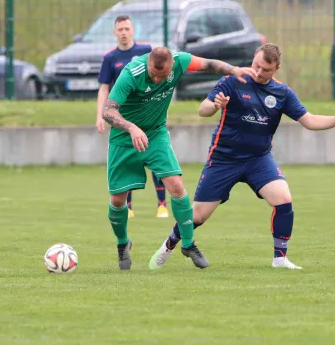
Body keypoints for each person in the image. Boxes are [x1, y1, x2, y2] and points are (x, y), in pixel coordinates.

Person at [148, 43, 335, 271]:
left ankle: (280, 259)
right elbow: (203, 109)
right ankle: (168, 246)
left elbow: (309, 120)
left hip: (258, 159)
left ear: (276, 69)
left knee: (283, 198)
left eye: (265, 69)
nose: (258, 71)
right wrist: (216, 105)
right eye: (256, 65)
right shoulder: (234, 80)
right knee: (197, 216)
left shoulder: (282, 93)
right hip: (224, 158)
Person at [101, 46, 258, 270]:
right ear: (148, 64)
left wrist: (233, 70)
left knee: (176, 186)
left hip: (155, 134)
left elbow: (209, 64)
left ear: (172, 67)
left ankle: (188, 243)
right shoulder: (131, 73)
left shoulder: (180, 60)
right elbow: (108, 111)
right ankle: (122, 243)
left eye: (161, 76)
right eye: (153, 74)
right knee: (118, 199)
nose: (156, 79)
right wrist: (131, 128)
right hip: (124, 138)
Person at [96, 15, 168, 219]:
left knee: (155, 158)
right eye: (120, 29)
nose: (124, 32)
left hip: (147, 115)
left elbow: (159, 80)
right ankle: (128, 207)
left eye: (127, 28)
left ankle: (162, 204)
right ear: (114, 32)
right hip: (122, 117)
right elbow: (104, 88)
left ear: (133, 30)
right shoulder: (110, 57)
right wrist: (100, 115)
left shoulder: (146, 51)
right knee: (127, 161)